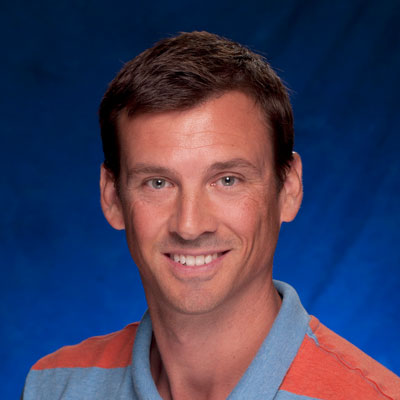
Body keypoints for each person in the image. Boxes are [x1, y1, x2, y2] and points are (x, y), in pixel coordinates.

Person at [22, 31, 399, 400]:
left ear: (288, 189)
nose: (190, 226)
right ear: (112, 197)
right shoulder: (54, 388)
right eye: (158, 183)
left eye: (227, 180)